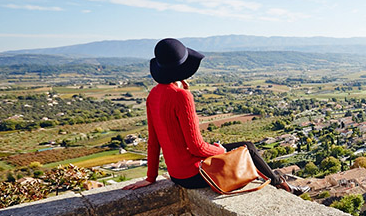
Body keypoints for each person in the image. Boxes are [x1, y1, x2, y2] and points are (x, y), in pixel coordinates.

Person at [124, 38, 307, 194]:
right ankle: (284, 186)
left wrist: (150, 178)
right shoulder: (181, 96)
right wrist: (220, 149)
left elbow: (153, 141)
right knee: (248, 148)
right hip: (195, 174)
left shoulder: (153, 95)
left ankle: (282, 184)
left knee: (246, 147)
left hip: (177, 175)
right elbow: (196, 147)